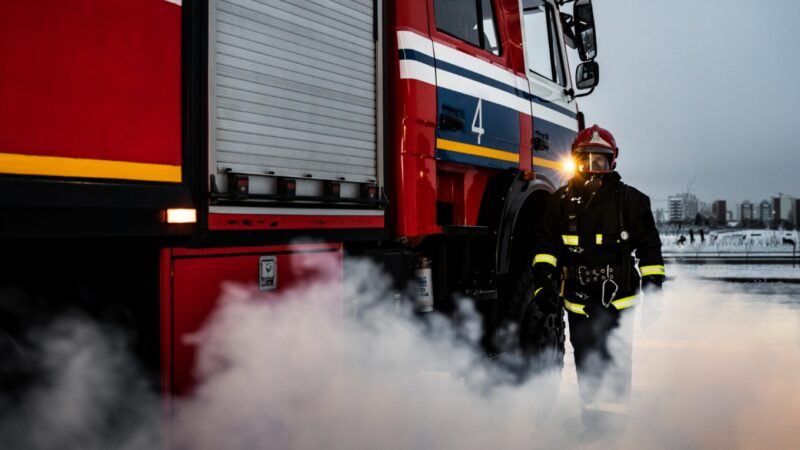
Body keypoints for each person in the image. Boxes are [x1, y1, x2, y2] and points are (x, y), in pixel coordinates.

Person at [528, 124, 665, 440]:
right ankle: (593, 427)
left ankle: (613, 433)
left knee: (616, 362)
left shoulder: (632, 201)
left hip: (620, 301)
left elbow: (650, 249)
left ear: (612, 162)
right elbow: (545, 247)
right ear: (574, 161)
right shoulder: (559, 202)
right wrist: (542, 284)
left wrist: (654, 287)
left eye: (600, 161)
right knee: (587, 363)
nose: (593, 168)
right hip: (578, 302)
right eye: (585, 160)